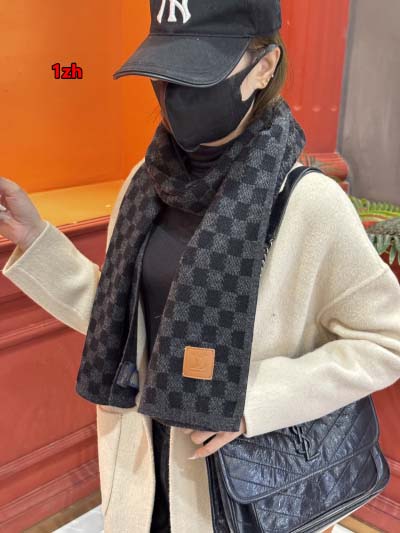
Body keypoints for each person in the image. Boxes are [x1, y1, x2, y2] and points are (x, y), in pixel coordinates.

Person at [1, 2, 400, 532]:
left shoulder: (308, 203)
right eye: (164, 72)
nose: (174, 93)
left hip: (242, 493)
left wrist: (249, 400)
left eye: (197, 72)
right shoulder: (145, 185)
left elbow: (386, 339)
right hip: (141, 475)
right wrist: (36, 240)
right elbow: (122, 322)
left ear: (264, 67)